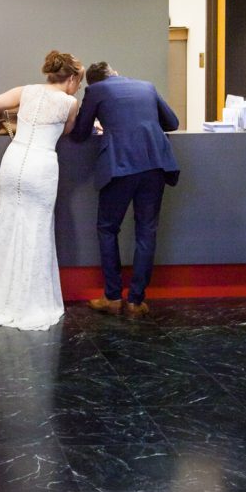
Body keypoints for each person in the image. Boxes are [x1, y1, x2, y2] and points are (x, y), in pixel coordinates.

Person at [0, 50, 84, 331]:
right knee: (36, 228)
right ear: (71, 78)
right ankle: (27, 299)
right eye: (79, 82)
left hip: (13, 161)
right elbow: (68, 131)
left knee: (8, 223)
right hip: (42, 165)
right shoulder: (70, 102)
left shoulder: (26, 91)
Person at [70, 62, 179, 318]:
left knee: (108, 229)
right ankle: (136, 301)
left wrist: (103, 125)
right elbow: (172, 122)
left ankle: (112, 297)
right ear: (115, 72)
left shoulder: (96, 91)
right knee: (146, 231)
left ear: (93, 82)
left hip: (119, 165)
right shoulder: (147, 87)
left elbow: (79, 134)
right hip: (155, 164)